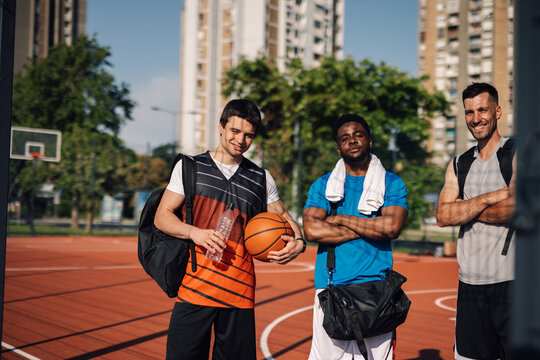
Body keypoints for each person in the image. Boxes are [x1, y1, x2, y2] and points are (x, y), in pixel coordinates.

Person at [154, 99, 305, 360]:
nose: (241, 140)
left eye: (249, 135)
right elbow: (162, 217)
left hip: (239, 293)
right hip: (194, 289)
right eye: (235, 131)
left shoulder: (261, 178)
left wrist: (299, 242)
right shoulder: (190, 167)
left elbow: (283, 216)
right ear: (221, 127)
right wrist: (195, 233)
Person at [303, 114, 409, 360]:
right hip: (331, 288)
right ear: (338, 147)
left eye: (358, 135)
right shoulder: (323, 185)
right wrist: (373, 225)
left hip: (377, 289)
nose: (352, 140)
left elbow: (392, 227)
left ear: (369, 141)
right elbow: (311, 230)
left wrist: (339, 219)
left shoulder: (392, 183)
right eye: (345, 138)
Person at [436, 82, 516, 359]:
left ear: (498, 112)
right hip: (469, 284)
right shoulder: (459, 163)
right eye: (469, 112)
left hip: (512, 282)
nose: (476, 118)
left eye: (483, 110)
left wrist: (465, 209)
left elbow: (518, 209)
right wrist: (490, 197)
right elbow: (443, 215)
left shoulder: (518, 153)